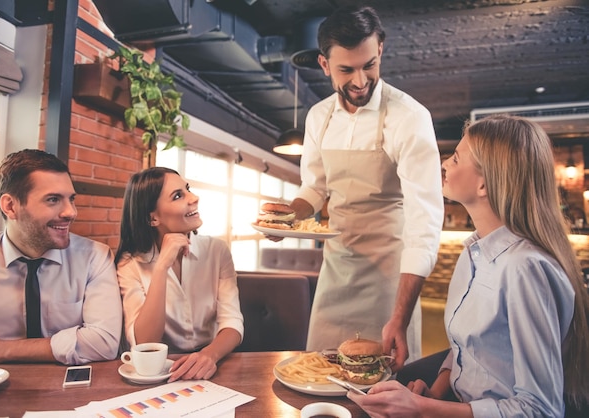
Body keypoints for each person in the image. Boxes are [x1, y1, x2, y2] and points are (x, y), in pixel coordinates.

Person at [348, 115, 589, 417]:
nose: (445, 165)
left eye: (456, 158)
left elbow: (540, 409)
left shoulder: (525, 270)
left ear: (484, 184)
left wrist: (423, 409)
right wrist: (434, 394)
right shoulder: (473, 253)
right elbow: (468, 351)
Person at [283, 4, 444, 369]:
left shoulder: (409, 117)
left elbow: (424, 222)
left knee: (385, 385)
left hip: (391, 276)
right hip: (337, 267)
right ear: (324, 65)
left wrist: (400, 315)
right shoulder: (318, 117)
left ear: (381, 49)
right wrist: (289, 217)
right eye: (346, 69)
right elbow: (314, 189)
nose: (359, 81)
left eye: (369, 65)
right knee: (320, 372)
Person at [0, 149, 122, 365]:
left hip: (71, 390)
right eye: (53, 200)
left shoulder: (94, 257)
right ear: (10, 206)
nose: (71, 212)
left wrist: (2, 349)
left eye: (71, 199)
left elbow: (104, 343)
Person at [115, 167, 244, 382]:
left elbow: (232, 322)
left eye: (188, 189)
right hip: (162, 370)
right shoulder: (130, 264)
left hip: (214, 360)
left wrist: (208, 356)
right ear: (152, 218)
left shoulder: (217, 250)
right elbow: (144, 343)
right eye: (178, 196)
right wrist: (161, 267)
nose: (194, 198)